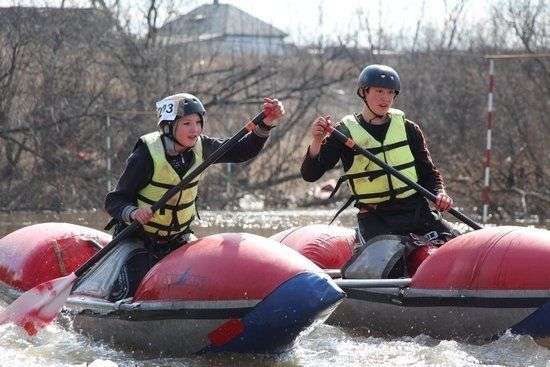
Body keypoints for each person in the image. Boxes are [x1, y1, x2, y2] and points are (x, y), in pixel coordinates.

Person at [96, 93, 284, 301]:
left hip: (178, 239)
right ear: (168, 126)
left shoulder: (202, 146)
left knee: (205, 279)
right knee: (134, 289)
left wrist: (266, 124)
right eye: (186, 123)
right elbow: (114, 200)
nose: (195, 129)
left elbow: (241, 151)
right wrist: (133, 212)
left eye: (198, 122)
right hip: (139, 238)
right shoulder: (145, 156)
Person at [301, 64, 454, 243]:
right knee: (392, 265)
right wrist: (317, 140)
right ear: (364, 92)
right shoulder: (345, 133)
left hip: (417, 212)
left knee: (457, 247)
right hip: (376, 218)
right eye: (379, 91)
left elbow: (429, 173)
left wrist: (440, 193)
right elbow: (310, 174)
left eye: (390, 93)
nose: (385, 98)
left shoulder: (408, 128)